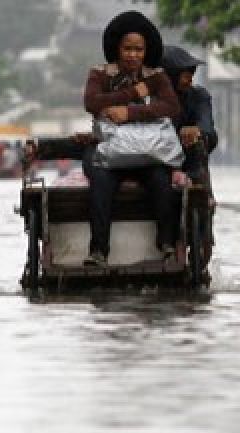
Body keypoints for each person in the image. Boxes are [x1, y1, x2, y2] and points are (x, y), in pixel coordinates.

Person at [81, 11, 181, 268]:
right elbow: (92, 102)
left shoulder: (157, 76)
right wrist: (133, 93)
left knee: (161, 179)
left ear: (147, 50)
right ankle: (99, 251)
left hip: (147, 153)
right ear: (117, 48)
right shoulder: (100, 74)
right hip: (108, 152)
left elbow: (171, 106)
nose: (133, 55)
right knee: (100, 180)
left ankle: (167, 245)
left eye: (139, 49)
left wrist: (130, 112)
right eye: (127, 48)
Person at [162, 44, 218, 276]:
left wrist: (196, 131)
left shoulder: (198, 97)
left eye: (191, 74)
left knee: (199, 156)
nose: (189, 79)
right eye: (185, 74)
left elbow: (209, 131)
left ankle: (202, 246)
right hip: (155, 166)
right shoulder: (148, 99)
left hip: (191, 166)